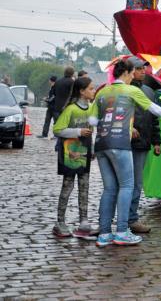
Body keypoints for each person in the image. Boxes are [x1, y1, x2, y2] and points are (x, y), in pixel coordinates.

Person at [88, 60, 161, 247]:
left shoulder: (102, 91)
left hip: (101, 144)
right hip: (120, 144)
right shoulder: (132, 90)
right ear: (127, 73)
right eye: (132, 73)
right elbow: (152, 108)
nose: (134, 76)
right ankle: (122, 231)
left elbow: (91, 119)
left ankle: (104, 234)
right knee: (127, 186)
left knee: (109, 189)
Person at [51, 76, 97, 239]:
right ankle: (60, 221)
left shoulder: (92, 108)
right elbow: (57, 129)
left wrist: (92, 149)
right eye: (91, 88)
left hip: (84, 154)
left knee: (84, 187)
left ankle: (83, 221)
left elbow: (91, 130)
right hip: (68, 153)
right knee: (67, 187)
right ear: (82, 91)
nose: (93, 91)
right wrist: (77, 132)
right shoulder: (71, 109)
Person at [127, 57, 161, 234]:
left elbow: (154, 117)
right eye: (139, 68)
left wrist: (157, 141)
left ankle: (131, 218)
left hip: (143, 144)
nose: (143, 71)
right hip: (124, 143)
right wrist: (129, 126)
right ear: (130, 70)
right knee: (125, 183)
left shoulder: (149, 91)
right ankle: (124, 219)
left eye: (144, 68)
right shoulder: (124, 90)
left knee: (137, 183)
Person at [48, 66, 75, 138]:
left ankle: (56, 135)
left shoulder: (57, 81)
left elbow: (54, 93)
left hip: (57, 106)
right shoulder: (72, 82)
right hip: (67, 106)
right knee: (67, 123)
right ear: (72, 73)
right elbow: (73, 94)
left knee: (57, 122)